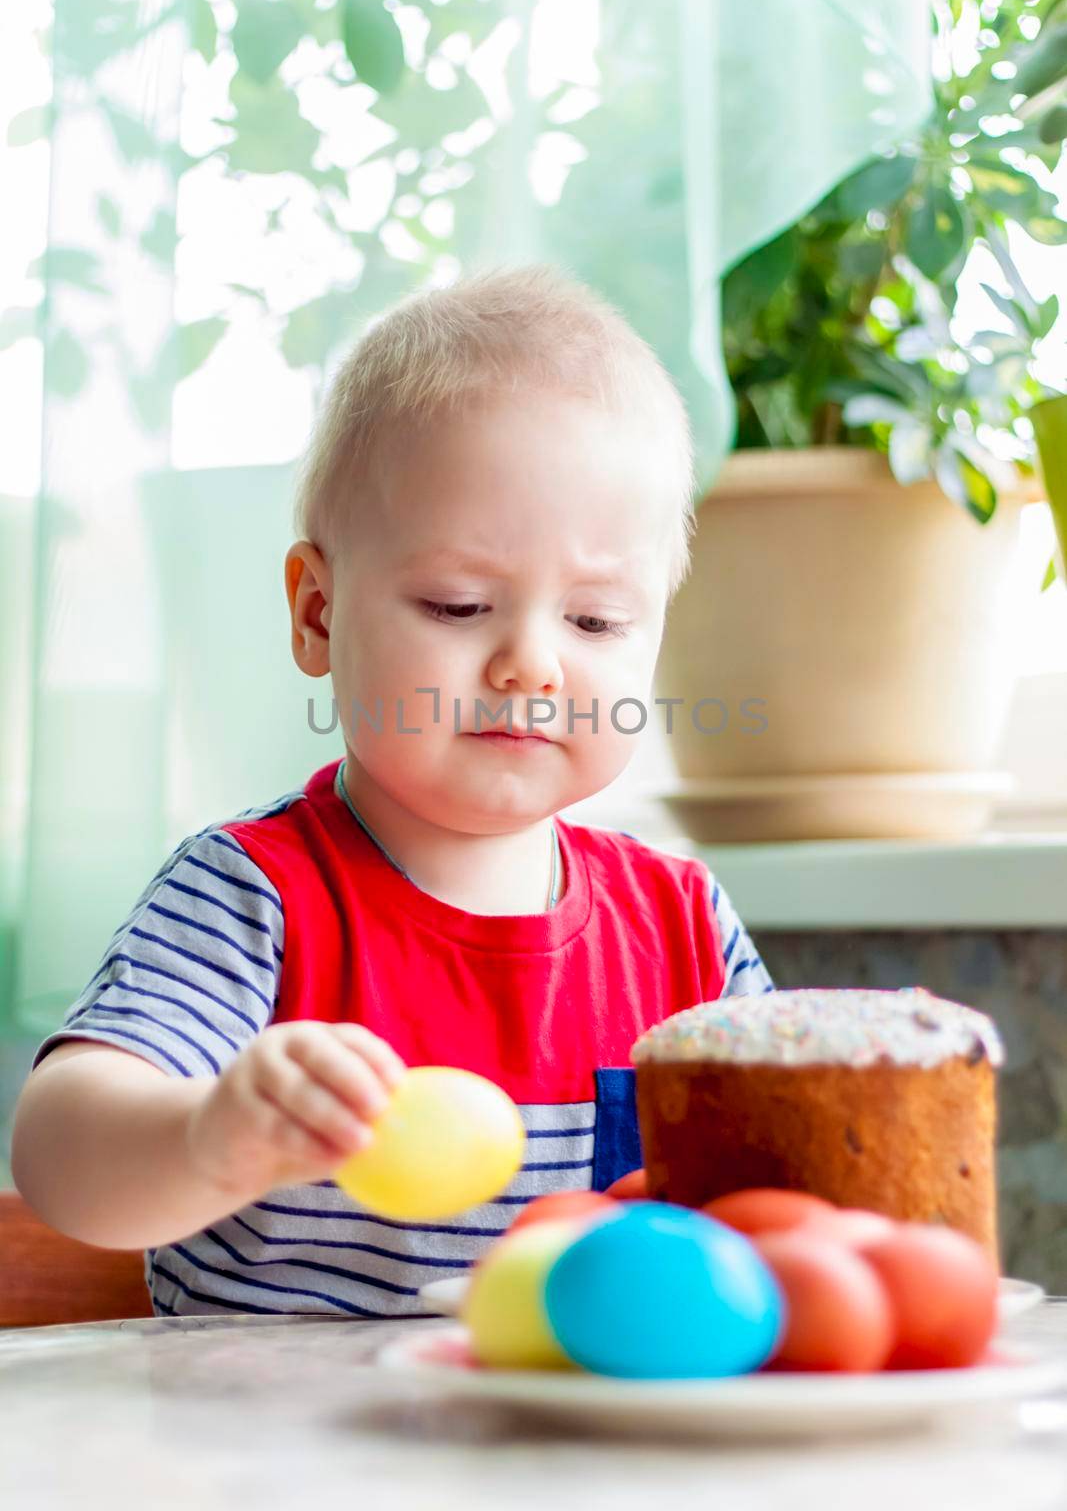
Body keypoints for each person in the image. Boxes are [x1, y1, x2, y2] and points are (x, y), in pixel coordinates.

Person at [11, 263, 774, 1318]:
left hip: (580, 1466)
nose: (530, 665)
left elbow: (784, 1186)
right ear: (318, 613)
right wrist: (211, 1134)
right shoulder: (253, 896)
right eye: (459, 605)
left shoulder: (680, 926)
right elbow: (62, 1154)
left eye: (595, 622)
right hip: (281, 1460)